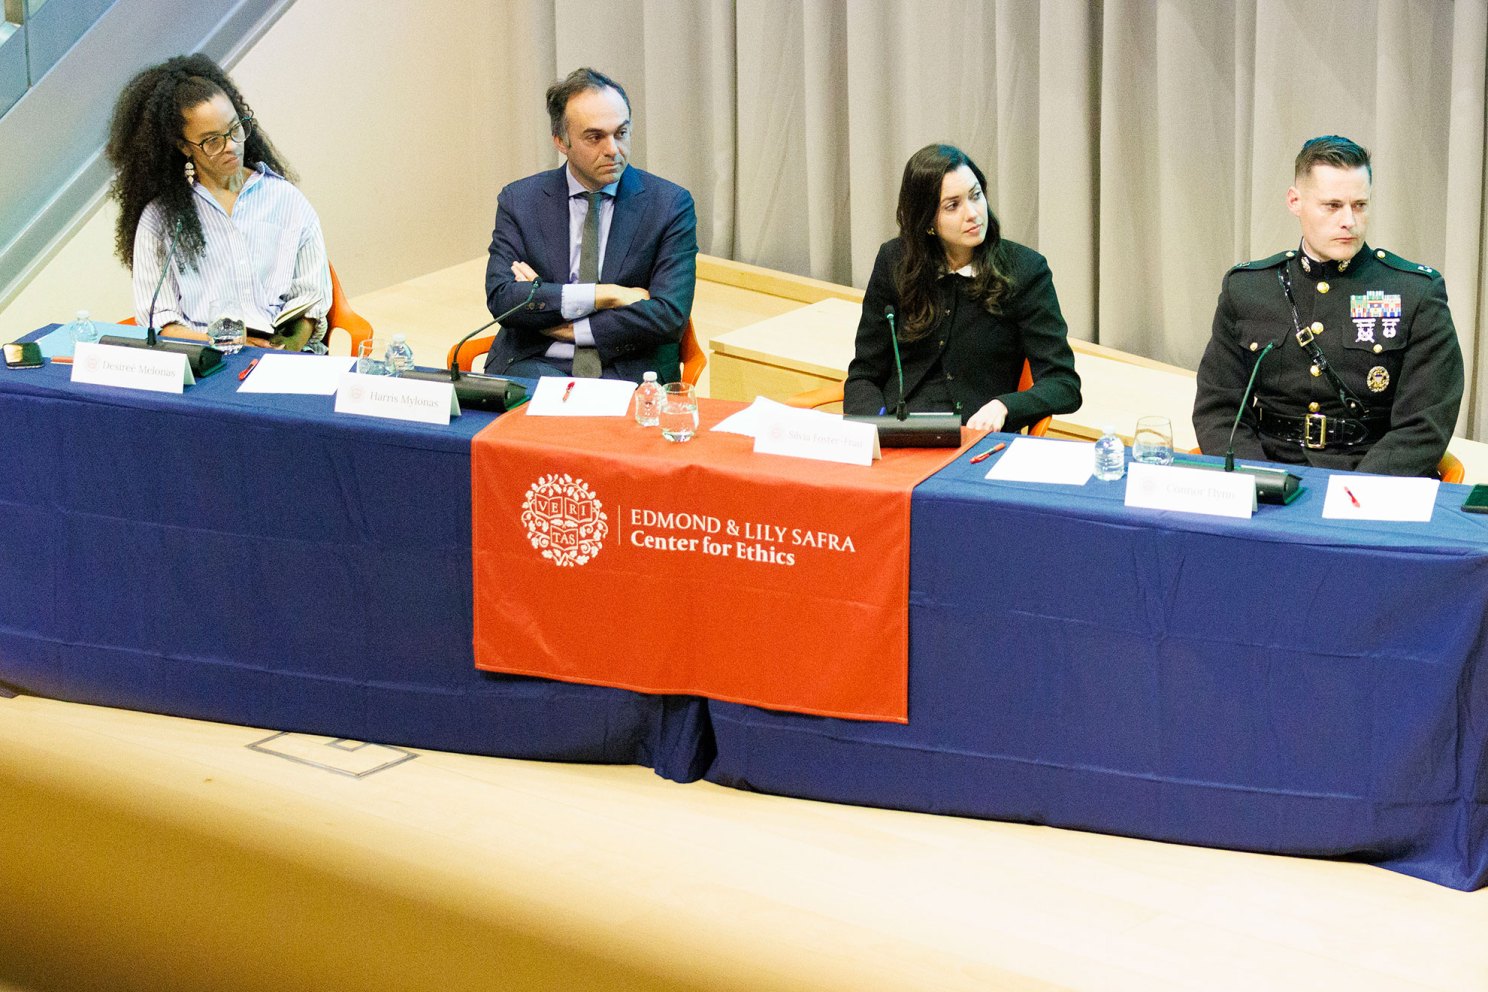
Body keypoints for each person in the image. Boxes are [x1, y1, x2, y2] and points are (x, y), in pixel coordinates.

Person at [1193, 135, 1463, 476]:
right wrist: (1257, 481)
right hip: (1268, 471)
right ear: (1295, 201)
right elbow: (1218, 409)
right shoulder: (1248, 288)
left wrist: (1356, 493)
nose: (1349, 220)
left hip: (1370, 479)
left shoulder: (1414, 292)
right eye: (1333, 205)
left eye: (1360, 205)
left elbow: (1426, 423)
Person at [843, 144, 1080, 432]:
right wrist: (875, 428)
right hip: (898, 435)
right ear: (927, 221)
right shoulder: (895, 262)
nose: (973, 213)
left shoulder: (1025, 271)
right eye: (952, 205)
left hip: (976, 438)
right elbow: (864, 374)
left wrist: (1004, 406)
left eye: (976, 195)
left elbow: (1063, 384)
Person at [483, 67, 697, 382]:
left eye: (621, 133)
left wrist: (568, 322)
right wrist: (606, 295)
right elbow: (504, 299)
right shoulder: (520, 201)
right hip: (531, 365)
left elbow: (668, 315)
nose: (613, 150)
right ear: (560, 141)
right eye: (595, 137)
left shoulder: (669, 205)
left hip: (627, 370)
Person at [106, 53, 330, 352]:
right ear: (183, 146)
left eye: (235, 129)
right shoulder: (160, 220)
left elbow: (312, 300)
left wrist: (285, 347)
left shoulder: (287, 200)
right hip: (204, 359)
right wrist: (229, 344)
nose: (232, 147)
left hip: (281, 357)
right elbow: (160, 321)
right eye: (212, 141)